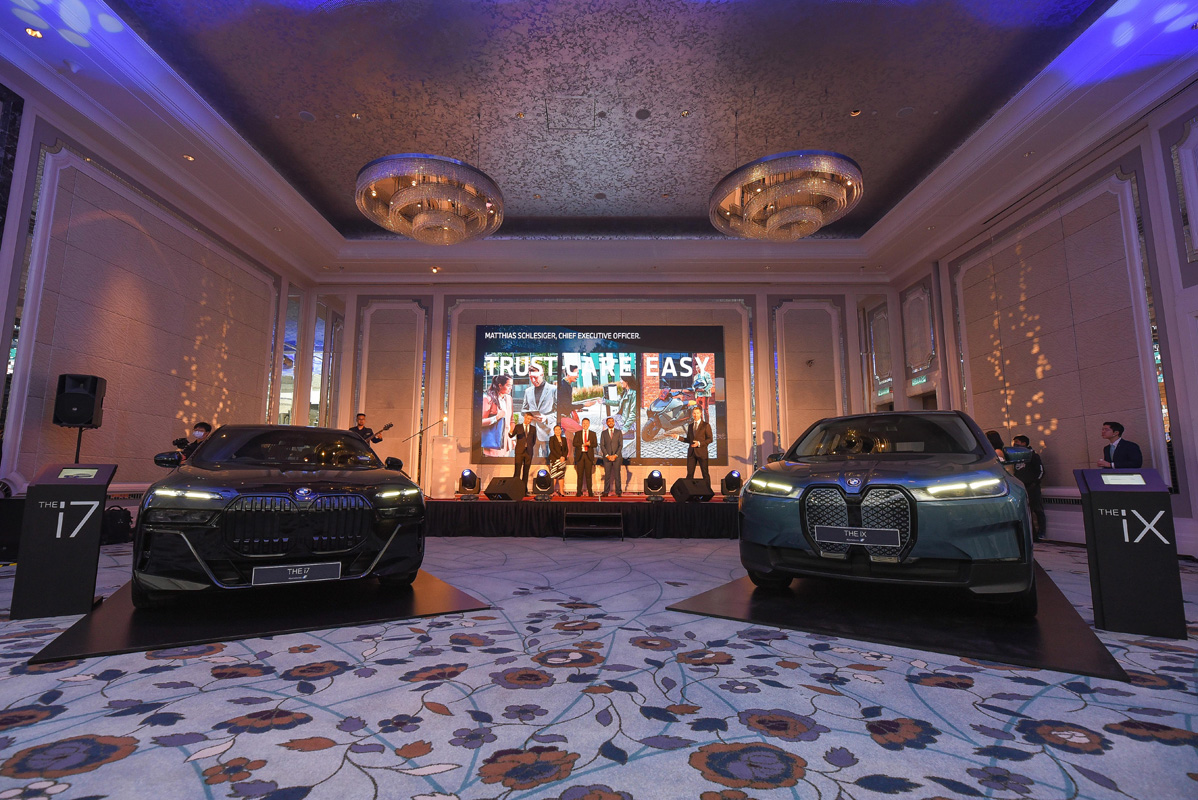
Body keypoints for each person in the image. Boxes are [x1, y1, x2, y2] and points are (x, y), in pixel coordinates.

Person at [1011, 434, 1046, 541]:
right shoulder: (1017, 457)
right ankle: (1031, 534)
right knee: (1027, 511)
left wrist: (1035, 483)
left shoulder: (1033, 455)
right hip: (1021, 487)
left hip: (1032, 487)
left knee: (1037, 509)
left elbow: (1041, 471)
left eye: (1017, 442)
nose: (1015, 445)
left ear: (1024, 443)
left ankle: (1041, 532)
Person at [521, 362, 556, 452]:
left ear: (542, 374)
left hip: (547, 431)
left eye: (535, 377)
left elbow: (559, 412)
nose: (533, 380)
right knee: (531, 458)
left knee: (547, 457)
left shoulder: (553, 389)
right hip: (531, 432)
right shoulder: (528, 391)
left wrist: (546, 418)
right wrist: (529, 416)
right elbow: (523, 410)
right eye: (530, 377)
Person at [482, 375, 514, 456]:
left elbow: (512, 420)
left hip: (506, 443)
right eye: (508, 385)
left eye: (511, 385)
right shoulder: (488, 399)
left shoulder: (509, 399)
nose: (511, 388)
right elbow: (480, 422)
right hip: (493, 443)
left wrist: (513, 438)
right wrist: (496, 417)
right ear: (500, 385)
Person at [678, 406, 713, 481]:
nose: (695, 415)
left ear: (700, 414)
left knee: (705, 474)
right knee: (689, 474)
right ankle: (689, 488)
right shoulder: (690, 426)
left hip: (702, 453)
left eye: (697, 413)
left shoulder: (706, 425)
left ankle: (708, 488)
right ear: (692, 414)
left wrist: (699, 443)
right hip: (691, 453)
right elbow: (689, 440)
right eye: (694, 413)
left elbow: (710, 439)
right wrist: (678, 437)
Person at [509, 412, 537, 487]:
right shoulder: (518, 427)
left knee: (526, 472)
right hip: (519, 452)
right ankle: (515, 488)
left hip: (529, 452)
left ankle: (524, 489)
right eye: (528, 419)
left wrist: (529, 447)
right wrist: (510, 432)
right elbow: (511, 435)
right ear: (525, 417)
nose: (529, 421)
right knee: (517, 471)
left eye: (531, 419)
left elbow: (533, 441)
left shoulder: (533, 428)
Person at [573, 417, 598, 497]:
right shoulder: (577, 433)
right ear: (581, 424)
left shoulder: (593, 434)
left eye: (586, 423)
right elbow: (574, 443)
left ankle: (590, 492)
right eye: (583, 423)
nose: (585, 425)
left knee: (588, 475)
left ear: (589, 424)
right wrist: (583, 445)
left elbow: (595, 444)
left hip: (588, 456)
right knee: (579, 475)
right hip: (580, 456)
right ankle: (579, 491)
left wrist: (589, 444)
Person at [600, 416, 623, 497]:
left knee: (617, 475)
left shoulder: (618, 432)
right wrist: (607, 455)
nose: (610, 422)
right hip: (607, 458)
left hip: (617, 457)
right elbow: (602, 445)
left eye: (612, 421)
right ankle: (606, 491)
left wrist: (615, 455)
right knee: (607, 475)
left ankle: (618, 491)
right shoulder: (604, 433)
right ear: (606, 423)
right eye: (609, 421)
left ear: (614, 422)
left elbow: (620, 445)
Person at [547, 424, 570, 495]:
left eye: (559, 429)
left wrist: (563, 456)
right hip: (554, 459)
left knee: (561, 476)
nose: (557, 431)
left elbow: (566, 449)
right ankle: (552, 491)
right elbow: (552, 449)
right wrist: (559, 457)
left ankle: (561, 491)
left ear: (561, 431)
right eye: (556, 430)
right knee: (554, 476)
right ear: (554, 431)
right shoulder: (552, 438)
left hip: (562, 460)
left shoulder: (564, 439)